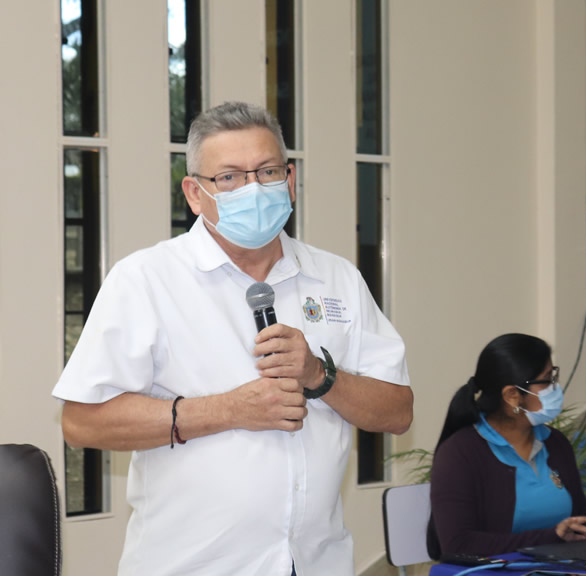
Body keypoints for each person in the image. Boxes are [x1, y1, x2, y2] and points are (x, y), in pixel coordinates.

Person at [53, 102, 413, 576]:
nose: (253, 189)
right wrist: (228, 410)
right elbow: (81, 422)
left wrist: (320, 376)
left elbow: (398, 411)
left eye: (266, 172)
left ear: (290, 180)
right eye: (229, 177)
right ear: (195, 192)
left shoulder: (336, 278)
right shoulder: (147, 279)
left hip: (316, 563)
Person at [428, 333, 586, 558]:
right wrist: (551, 537)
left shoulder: (555, 443)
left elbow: (581, 517)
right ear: (512, 396)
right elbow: (459, 545)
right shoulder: (460, 454)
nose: (555, 388)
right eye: (547, 380)